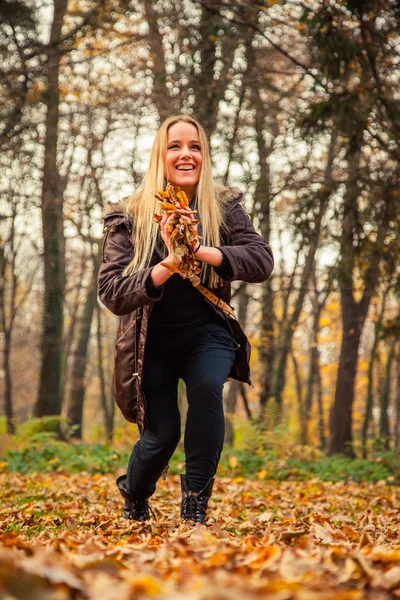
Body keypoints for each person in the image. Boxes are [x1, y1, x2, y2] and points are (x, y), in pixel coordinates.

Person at [98, 114, 274, 524]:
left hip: (206, 332)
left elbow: (262, 260)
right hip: (151, 341)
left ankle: (195, 502)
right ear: (161, 155)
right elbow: (111, 291)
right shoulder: (128, 217)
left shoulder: (224, 207)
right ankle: (135, 494)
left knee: (209, 388)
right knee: (162, 436)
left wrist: (203, 250)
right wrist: (170, 265)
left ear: (204, 155)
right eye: (175, 146)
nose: (185, 154)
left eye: (194, 146)